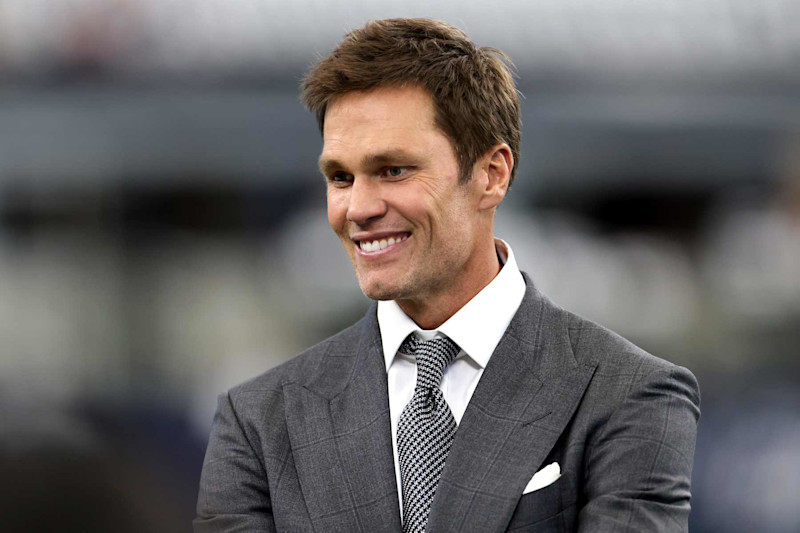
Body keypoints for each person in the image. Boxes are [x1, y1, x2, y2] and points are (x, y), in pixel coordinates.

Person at [195, 18, 700, 533]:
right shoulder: (256, 421)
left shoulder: (631, 396)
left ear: (491, 174)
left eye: (394, 170)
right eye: (340, 177)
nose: (359, 208)